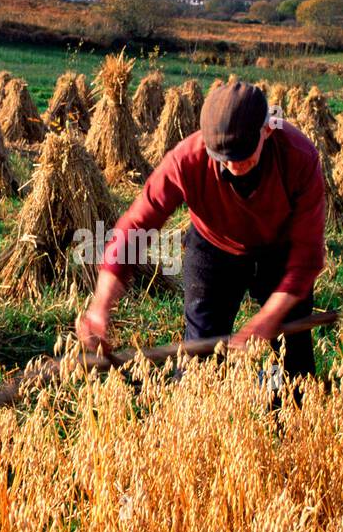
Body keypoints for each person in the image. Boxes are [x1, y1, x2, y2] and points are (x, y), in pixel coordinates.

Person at [76, 81, 326, 376]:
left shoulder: (299, 156)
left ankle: (278, 397)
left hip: (280, 253)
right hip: (215, 248)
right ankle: (203, 410)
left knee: (292, 361)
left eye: (244, 155)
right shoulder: (187, 158)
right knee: (199, 359)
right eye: (223, 158)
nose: (234, 166)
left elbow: (306, 257)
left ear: (267, 129)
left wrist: (270, 316)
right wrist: (101, 305)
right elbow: (136, 226)